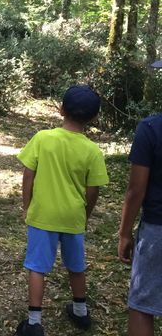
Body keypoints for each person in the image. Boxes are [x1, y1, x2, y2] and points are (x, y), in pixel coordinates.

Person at [15, 85, 109, 336]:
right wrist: (85, 214)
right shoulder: (92, 151)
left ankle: (34, 322)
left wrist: (28, 206)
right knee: (76, 264)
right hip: (73, 216)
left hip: (43, 214)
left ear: (60, 109)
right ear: (93, 118)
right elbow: (93, 190)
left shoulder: (43, 138)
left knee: (38, 266)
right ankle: (80, 311)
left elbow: (28, 176)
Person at [118, 112, 162, 336]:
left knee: (142, 305)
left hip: (157, 230)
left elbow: (136, 190)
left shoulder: (151, 127)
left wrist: (125, 233)